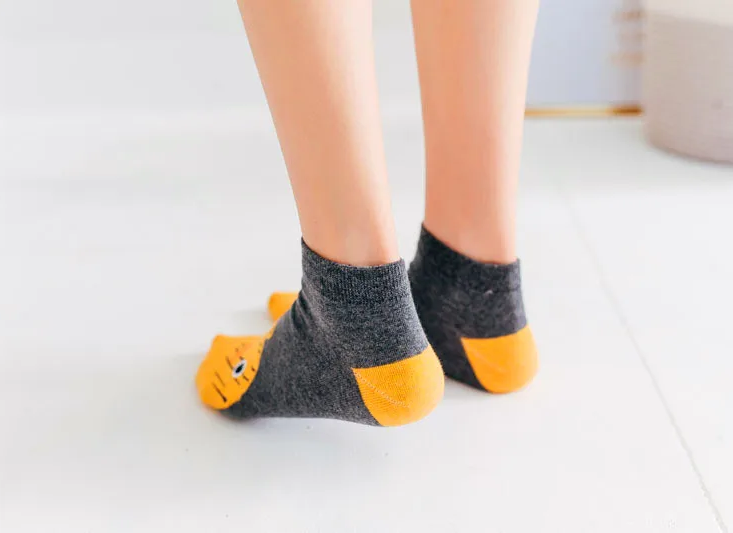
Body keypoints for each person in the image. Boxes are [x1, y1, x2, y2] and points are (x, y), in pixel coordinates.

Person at [195, 0, 540, 426]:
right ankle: (472, 287)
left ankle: (355, 319)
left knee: (361, 319)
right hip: (480, 295)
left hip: (358, 345)